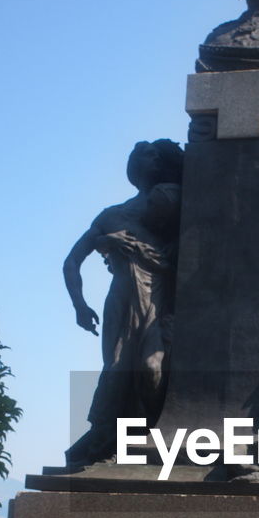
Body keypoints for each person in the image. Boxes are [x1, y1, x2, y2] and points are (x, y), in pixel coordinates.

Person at [63, 139, 183, 466]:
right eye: (148, 153)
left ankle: (148, 433)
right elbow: (72, 261)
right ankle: (115, 442)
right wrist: (80, 306)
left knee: (151, 369)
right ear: (134, 164)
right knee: (117, 372)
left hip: (160, 302)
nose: (155, 157)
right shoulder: (111, 216)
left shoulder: (173, 204)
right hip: (121, 304)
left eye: (159, 154)